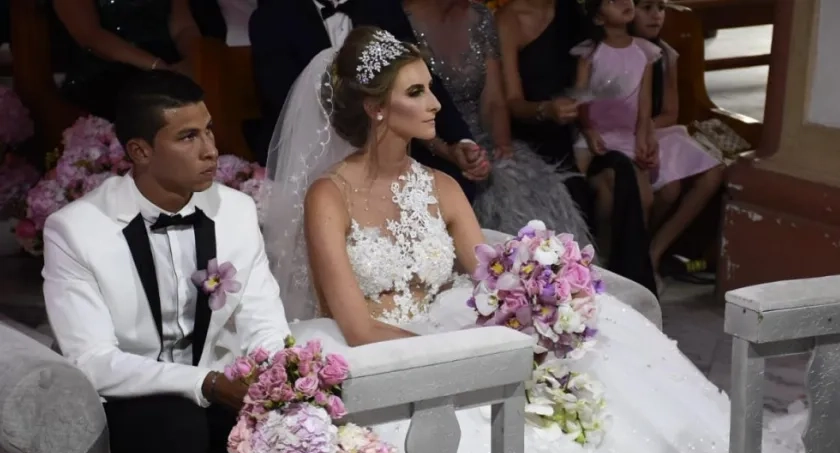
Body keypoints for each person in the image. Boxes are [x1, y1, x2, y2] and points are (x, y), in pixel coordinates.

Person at [261, 26, 803, 453]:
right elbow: (356, 327)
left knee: (602, 362)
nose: (435, 104)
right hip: (383, 350)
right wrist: (471, 354)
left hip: (453, 320)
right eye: (417, 93)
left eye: (432, 88)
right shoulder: (329, 197)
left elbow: (491, 277)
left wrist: (534, 304)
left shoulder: (443, 187)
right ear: (377, 109)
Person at [41, 70, 292, 453]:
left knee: (297, 425)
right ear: (140, 151)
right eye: (188, 137)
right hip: (128, 402)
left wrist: (279, 375)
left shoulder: (236, 211)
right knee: (175, 426)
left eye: (209, 131)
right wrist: (205, 382)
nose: (211, 150)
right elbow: (92, 360)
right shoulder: (76, 230)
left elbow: (261, 317)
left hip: (217, 391)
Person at [248, 0, 489, 201]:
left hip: (389, 137)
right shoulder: (271, 17)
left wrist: (457, 140)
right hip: (311, 149)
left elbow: (418, 75)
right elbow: (285, 101)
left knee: (452, 182)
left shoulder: (380, 5)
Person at [497, 0, 658, 294]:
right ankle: (580, 287)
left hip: (581, 135)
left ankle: (623, 287)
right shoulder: (509, 18)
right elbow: (510, 102)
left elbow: (619, 51)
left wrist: (644, 128)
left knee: (621, 172)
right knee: (573, 195)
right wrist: (546, 110)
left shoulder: (575, 11)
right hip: (534, 142)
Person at [402, 0, 590, 242]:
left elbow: (493, 102)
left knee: (529, 192)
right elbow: (406, 109)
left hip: (482, 142)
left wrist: (502, 148)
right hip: (428, 145)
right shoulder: (401, 20)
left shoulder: (480, 17)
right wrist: (452, 151)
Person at [630, 0, 725, 278]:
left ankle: (656, 249)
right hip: (624, 134)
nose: (656, 16)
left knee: (713, 173)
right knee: (669, 191)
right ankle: (636, 246)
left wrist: (648, 127)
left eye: (660, 8)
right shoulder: (616, 52)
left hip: (659, 130)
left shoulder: (666, 55)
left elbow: (671, 113)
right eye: (646, 8)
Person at [50, 0, 203, 121]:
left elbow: (183, 26)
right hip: (106, 74)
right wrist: (158, 67)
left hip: (169, 67)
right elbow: (89, 35)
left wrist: (195, 59)